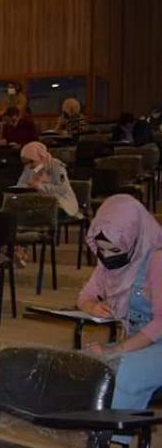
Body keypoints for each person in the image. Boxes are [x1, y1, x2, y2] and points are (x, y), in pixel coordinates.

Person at [79, 195, 162, 414]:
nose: (107, 256)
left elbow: (160, 324)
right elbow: (85, 296)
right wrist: (92, 306)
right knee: (84, 364)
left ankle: (109, 431)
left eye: (114, 250)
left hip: (155, 343)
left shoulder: (158, 259)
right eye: (101, 249)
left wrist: (114, 350)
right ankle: (94, 426)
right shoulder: (109, 260)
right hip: (139, 344)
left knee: (126, 371)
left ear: (134, 239)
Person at [17, 142, 81, 218]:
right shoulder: (30, 168)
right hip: (37, 201)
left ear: (41, 157)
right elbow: (21, 184)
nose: (29, 166)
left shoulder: (56, 166)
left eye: (31, 162)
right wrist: (26, 186)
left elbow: (63, 188)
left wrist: (40, 186)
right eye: (26, 163)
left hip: (61, 202)